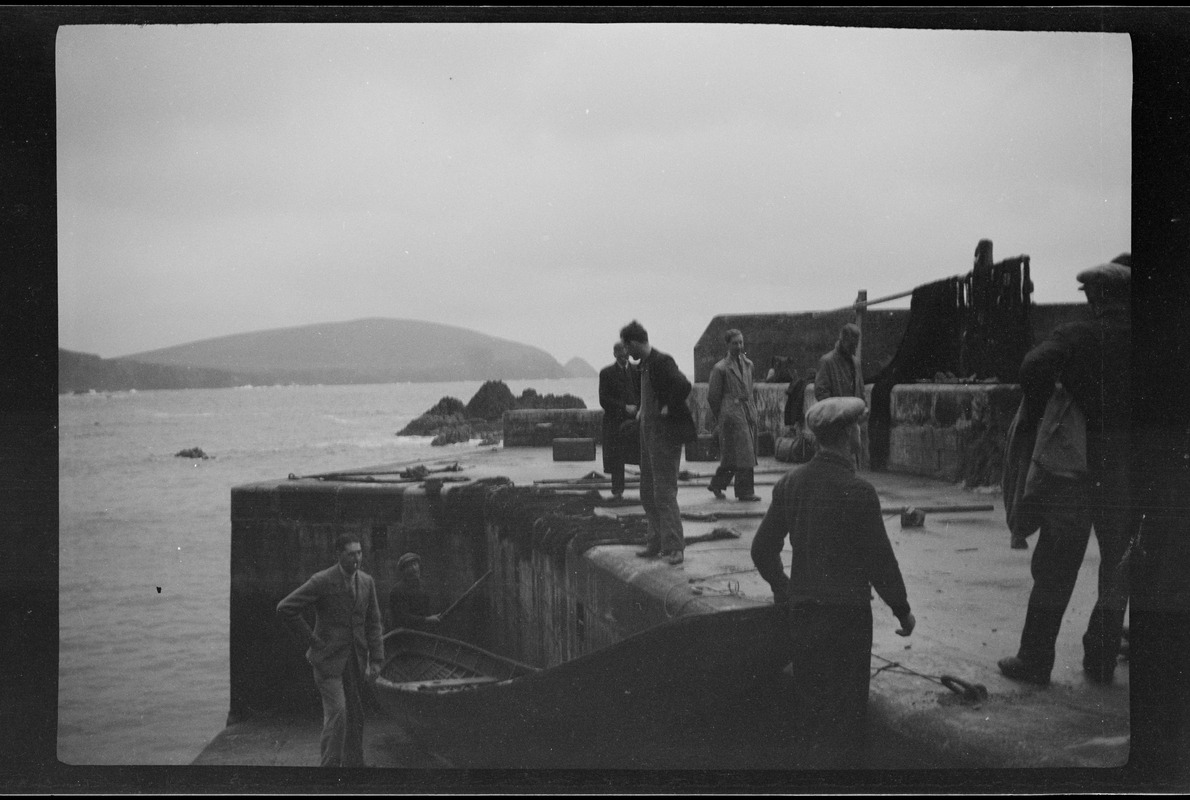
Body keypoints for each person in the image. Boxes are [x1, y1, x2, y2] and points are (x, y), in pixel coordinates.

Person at [751, 396, 915, 768]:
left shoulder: (790, 483)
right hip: (848, 620)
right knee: (845, 720)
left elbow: (762, 549)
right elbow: (880, 562)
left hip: (804, 616)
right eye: (856, 427)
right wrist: (902, 610)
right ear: (848, 434)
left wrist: (785, 589)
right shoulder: (859, 492)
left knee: (812, 712)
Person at [998, 253, 1133, 686]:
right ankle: (1101, 659)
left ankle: (1035, 660)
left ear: (1095, 297)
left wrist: (1066, 392)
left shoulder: (1075, 336)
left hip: (1073, 473)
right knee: (1117, 570)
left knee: (1056, 567)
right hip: (1125, 477)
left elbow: (1031, 368)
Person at [276, 534, 384, 767]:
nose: (357, 558)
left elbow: (373, 622)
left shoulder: (367, 581)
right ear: (339, 555)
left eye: (359, 552)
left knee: (355, 715)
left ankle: (355, 765)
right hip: (327, 661)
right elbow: (286, 608)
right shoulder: (322, 581)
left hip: (355, 661)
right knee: (338, 715)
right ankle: (329, 770)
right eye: (351, 554)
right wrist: (312, 640)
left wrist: (376, 659)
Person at [620, 320, 697, 566]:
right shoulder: (643, 366)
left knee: (664, 492)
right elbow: (649, 393)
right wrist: (643, 409)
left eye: (626, 346)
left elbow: (684, 385)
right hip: (648, 434)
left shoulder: (662, 361)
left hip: (665, 435)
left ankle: (674, 547)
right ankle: (655, 541)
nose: (626, 352)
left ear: (633, 343)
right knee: (647, 491)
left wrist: (667, 406)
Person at [706, 329, 761, 501]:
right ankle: (745, 491)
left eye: (741, 343)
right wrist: (722, 415)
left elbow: (751, 389)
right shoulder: (720, 368)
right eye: (735, 343)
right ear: (728, 345)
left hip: (746, 411)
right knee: (744, 452)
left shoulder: (749, 365)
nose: (739, 346)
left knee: (735, 454)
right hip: (730, 413)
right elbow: (713, 397)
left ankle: (716, 483)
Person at [813, 322, 869, 469]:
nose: (854, 349)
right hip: (835, 426)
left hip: (853, 424)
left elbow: (860, 389)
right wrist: (837, 412)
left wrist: (863, 407)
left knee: (851, 465)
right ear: (842, 340)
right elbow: (821, 392)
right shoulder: (827, 361)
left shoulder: (856, 362)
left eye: (856, 345)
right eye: (851, 345)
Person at [598, 341, 640, 499]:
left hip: (635, 421)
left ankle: (647, 490)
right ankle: (617, 491)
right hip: (615, 421)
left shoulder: (637, 371)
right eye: (621, 356)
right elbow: (604, 399)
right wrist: (624, 407)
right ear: (615, 354)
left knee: (641, 455)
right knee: (616, 458)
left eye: (626, 355)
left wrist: (639, 409)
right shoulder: (606, 373)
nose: (625, 358)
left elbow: (643, 393)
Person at [388, 552, 442, 632]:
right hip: (404, 635)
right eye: (409, 566)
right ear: (404, 570)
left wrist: (433, 618)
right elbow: (402, 618)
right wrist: (427, 619)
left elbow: (427, 611)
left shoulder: (423, 586)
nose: (414, 568)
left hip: (423, 632)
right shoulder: (398, 590)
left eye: (415, 564)